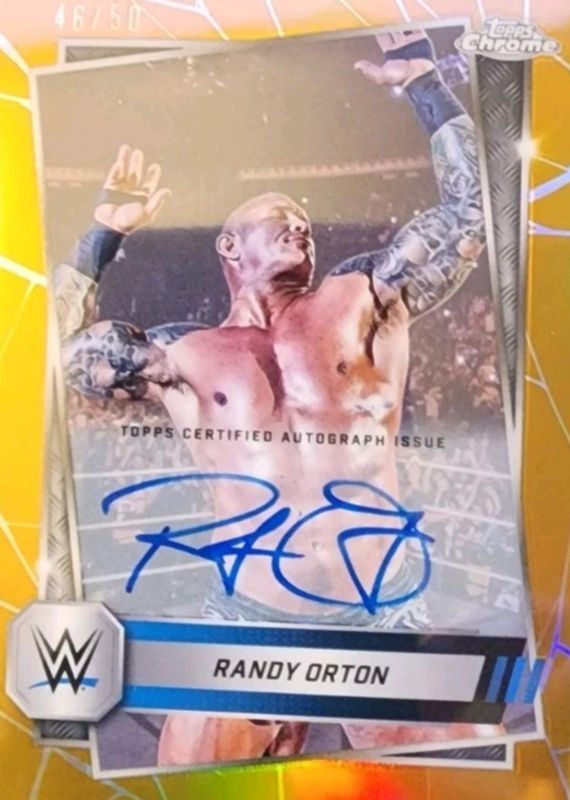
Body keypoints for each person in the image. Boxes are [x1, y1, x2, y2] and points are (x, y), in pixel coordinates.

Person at [56, 31, 490, 763]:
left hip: (380, 616)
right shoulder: (184, 356)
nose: (300, 225)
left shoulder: (362, 298)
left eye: (305, 222)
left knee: (473, 776)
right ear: (229, 246)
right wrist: (100, 237)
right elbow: (60, 359)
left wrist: (425, 83)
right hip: (250, 620)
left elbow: (471, 214)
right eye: (278, 216)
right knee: (189, 776)